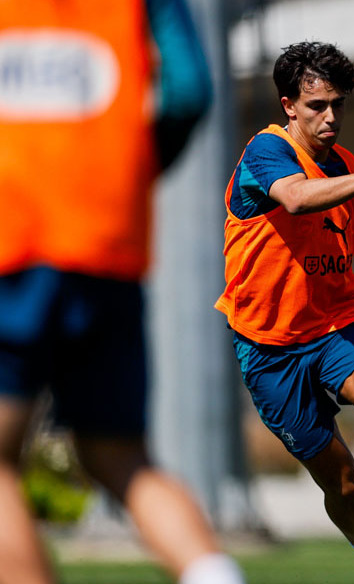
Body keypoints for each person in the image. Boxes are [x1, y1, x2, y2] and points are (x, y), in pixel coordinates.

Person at [0, 1, 245, 583]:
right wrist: (126, 177)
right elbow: (188, 91)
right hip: (107, 243)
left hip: (14, 238)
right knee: (121, 456)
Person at [215, 41, 354, 584]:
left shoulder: (346, 166)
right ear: (289, 106)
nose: (331, 117)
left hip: (334, 324)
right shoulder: (266, 151)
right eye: (317, 105)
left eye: (338, 104)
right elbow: (295, 197)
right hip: (269, 347)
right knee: (340, 480)